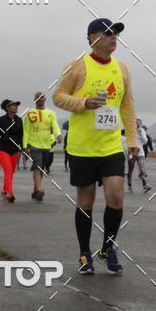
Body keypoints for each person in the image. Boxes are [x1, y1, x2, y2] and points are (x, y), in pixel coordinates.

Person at [53, 17, 139, 274]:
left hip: (111, 145)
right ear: (92, 37)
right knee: (86, 201)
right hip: (82, 147)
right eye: (108, 33)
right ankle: (84, 254)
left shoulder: (122, 69)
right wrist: (83, 103)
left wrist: (132, 139)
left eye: (116, 33)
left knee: (116, 197)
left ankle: (107, 249)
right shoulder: (77, 66)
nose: (114, 37)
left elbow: (127, 104)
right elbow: (58, 96)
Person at [22, 92, 61, 202]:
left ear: (45, 99)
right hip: (34, 145)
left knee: (41, 168)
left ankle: (35, 191)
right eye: (37, 97)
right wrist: (24, 146)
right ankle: (39, 189)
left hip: (46, 145)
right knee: (37, 166)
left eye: (41, 97)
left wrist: (58, 135)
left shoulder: (51, 113)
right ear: (34, 99)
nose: (39, 98)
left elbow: (55, 125)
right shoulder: (30, 113)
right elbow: (26, 131)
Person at [127, 118, 152, 193]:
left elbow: (145, 141)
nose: (136, 123)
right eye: (135, 122)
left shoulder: (142, 130)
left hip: (140, 153)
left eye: (138, 122)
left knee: (142, 170)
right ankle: (129, 187)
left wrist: (141, 133)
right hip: (131, 152)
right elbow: (128, 140)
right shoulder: (130, 130)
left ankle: (145, 186)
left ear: (140, 124)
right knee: (130, 170)